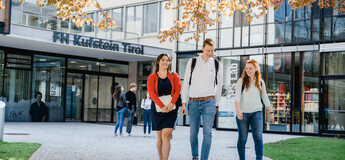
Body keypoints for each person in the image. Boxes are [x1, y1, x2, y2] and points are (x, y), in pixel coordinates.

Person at [181, 38, 223, 160]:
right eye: (208, 50)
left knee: (207, 133)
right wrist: (183, 102)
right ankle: (195, 156)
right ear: (202, 48)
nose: (210, 52)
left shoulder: (217, 64)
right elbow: (186, 84)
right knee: (193, 133)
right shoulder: (192, 62)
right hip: (193, 102)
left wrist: (216, 104)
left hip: (209, 102)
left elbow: (219, 86)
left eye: (212, 50)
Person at [234, 59, 274, 160]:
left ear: (256, 69)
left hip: (257, 113)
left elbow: (265, 98)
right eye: (246, 68)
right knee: (242, 139)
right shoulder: (241, 81)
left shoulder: (260, 82)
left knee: (258, 138)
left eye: (250, 68)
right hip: (243, 114)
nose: (248, 70)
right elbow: (237, 97)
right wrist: (238, 111)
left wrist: (271, 112)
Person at [147, 53, 181, 160]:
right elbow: (151, 93)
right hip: (157, 109)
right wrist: (161, 106)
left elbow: (177, 91)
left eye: (167, 60)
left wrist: (171, 104)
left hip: (171, 108)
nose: (165, 62)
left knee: (166, 135)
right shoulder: (152, 77)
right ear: (158, 62)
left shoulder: (174, 75)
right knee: (160, 137)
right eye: (163, 60)